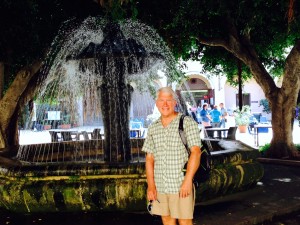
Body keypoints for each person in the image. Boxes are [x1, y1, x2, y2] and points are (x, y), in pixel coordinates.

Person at [142, 87, 201, 225]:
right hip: (160, 186)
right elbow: (149, 159)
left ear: (175, 103)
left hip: (180, 185)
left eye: (169, 100)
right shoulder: (153, 127)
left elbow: (196, 152)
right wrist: (151, 186)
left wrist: (187, 181)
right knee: (167, 220)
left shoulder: (186, 123)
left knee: (185, 221)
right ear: (157, 103)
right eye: (162, 100)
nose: (165, 104)